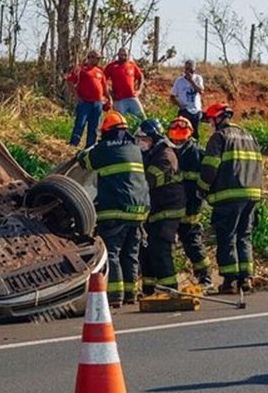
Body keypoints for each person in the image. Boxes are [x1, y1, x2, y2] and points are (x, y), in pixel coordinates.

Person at [75, 111, 150, 307]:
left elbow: (86, 161)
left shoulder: (104, 148)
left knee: (113, 252)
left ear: (106, 131)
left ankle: (115, 296)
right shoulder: (135, 148)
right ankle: (130, 294)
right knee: (130, 253)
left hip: (115, 210)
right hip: (139, 210)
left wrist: (81, 153)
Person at [197, 103, 263, 294]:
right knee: (244, 236)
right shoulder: (249, 136)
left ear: (217, 118)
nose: (209, 124)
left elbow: (210, 167)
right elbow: (259, 165)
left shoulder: (220, 137)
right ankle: (245, 279)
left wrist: (201, 188)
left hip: (229, 195)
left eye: (209, 120)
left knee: (227, 236)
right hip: (252, 195)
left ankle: (230, 280)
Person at [135, 118, 184, 295]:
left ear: (154, 139)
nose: (141, 143)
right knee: (146, 251)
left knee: (160, 249)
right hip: (155, 211)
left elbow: (147, 182)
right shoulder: (151, 154)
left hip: (167, 210)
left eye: (144, 139)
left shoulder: (165, 156)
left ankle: (170, 289)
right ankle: (149, 289)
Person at [167, 117, 213, 291]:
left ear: (190, 134)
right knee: (169, 244)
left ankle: (205, 277)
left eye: (181, 136)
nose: (178, 139)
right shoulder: (169, 151)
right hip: (172, 206)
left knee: (192, 242)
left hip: (190, 207)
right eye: (175, 136)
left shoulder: (197, 153)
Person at [65, 50, 110, 148]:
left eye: (99, 58)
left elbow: (104, 87)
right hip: (85, 102)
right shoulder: (81, 69)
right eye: (96, 58)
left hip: (98, 103)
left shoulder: (99, 71)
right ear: (90, 57)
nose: (98, 60)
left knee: (94, 126)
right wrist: (76, 96)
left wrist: (109, 98)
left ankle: (90, 146)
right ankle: (73, 144)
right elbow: (70, 81)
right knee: (80, 123)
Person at [104, 47, 146, 119]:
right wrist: (109, 93)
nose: (123, 56)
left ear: (128, 55)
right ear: (118, 55)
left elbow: (140, 77)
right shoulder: (111, 66)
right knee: (120, 120)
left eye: (125, 54)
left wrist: (139, 90)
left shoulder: (132, 65)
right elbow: (102, 80)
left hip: (132, 97)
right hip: (119, 99)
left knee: (142, 118)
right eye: (121, 54)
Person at [169, 60, 205, 142]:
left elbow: (201, 91)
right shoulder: (179, 81)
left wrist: (191, 81)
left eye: (191, 70)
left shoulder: (198, 78)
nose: (189, 72)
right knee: (183, 131)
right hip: (185, 110)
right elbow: (172, 96)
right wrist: (179, 105)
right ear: (184, 69)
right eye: (187, 69)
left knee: (195, 133)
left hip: (196, 110)